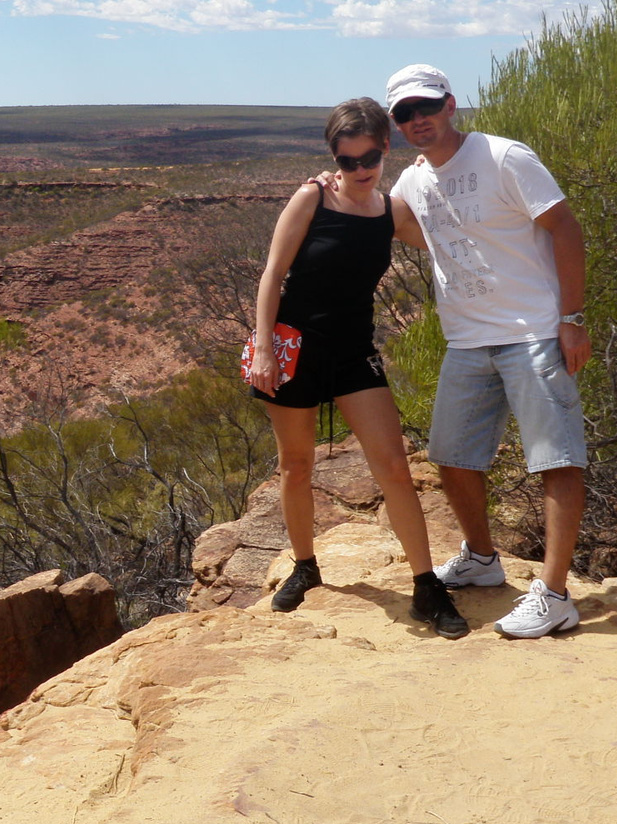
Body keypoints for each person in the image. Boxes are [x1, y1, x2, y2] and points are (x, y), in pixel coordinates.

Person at [248, 97, 468, 639]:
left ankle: (425, 585)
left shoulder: (391, 211)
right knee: (295, 467)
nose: (360, 170)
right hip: (294, 347)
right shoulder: (311, 198)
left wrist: (426, 180)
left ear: (386, 148)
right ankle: (305, 565)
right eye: (347, 161)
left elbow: (447, 241)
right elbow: (273, 273)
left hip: (353, 352)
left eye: (369, 157)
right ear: (333, 159)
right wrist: (262, 349)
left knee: (393, 466)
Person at [383, 64, 590, 639]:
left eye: (425, 107)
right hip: (467, 339)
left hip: (533, 332)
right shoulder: (413, 181)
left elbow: (566, 230)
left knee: (556, 458)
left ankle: (553, 595)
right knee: (451, 456)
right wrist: (332, 187)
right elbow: (390, 224)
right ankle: (481, 558)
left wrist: (571, 319)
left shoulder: (504, 157)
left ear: (451, 105)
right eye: (404, 114)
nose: (417, 120)